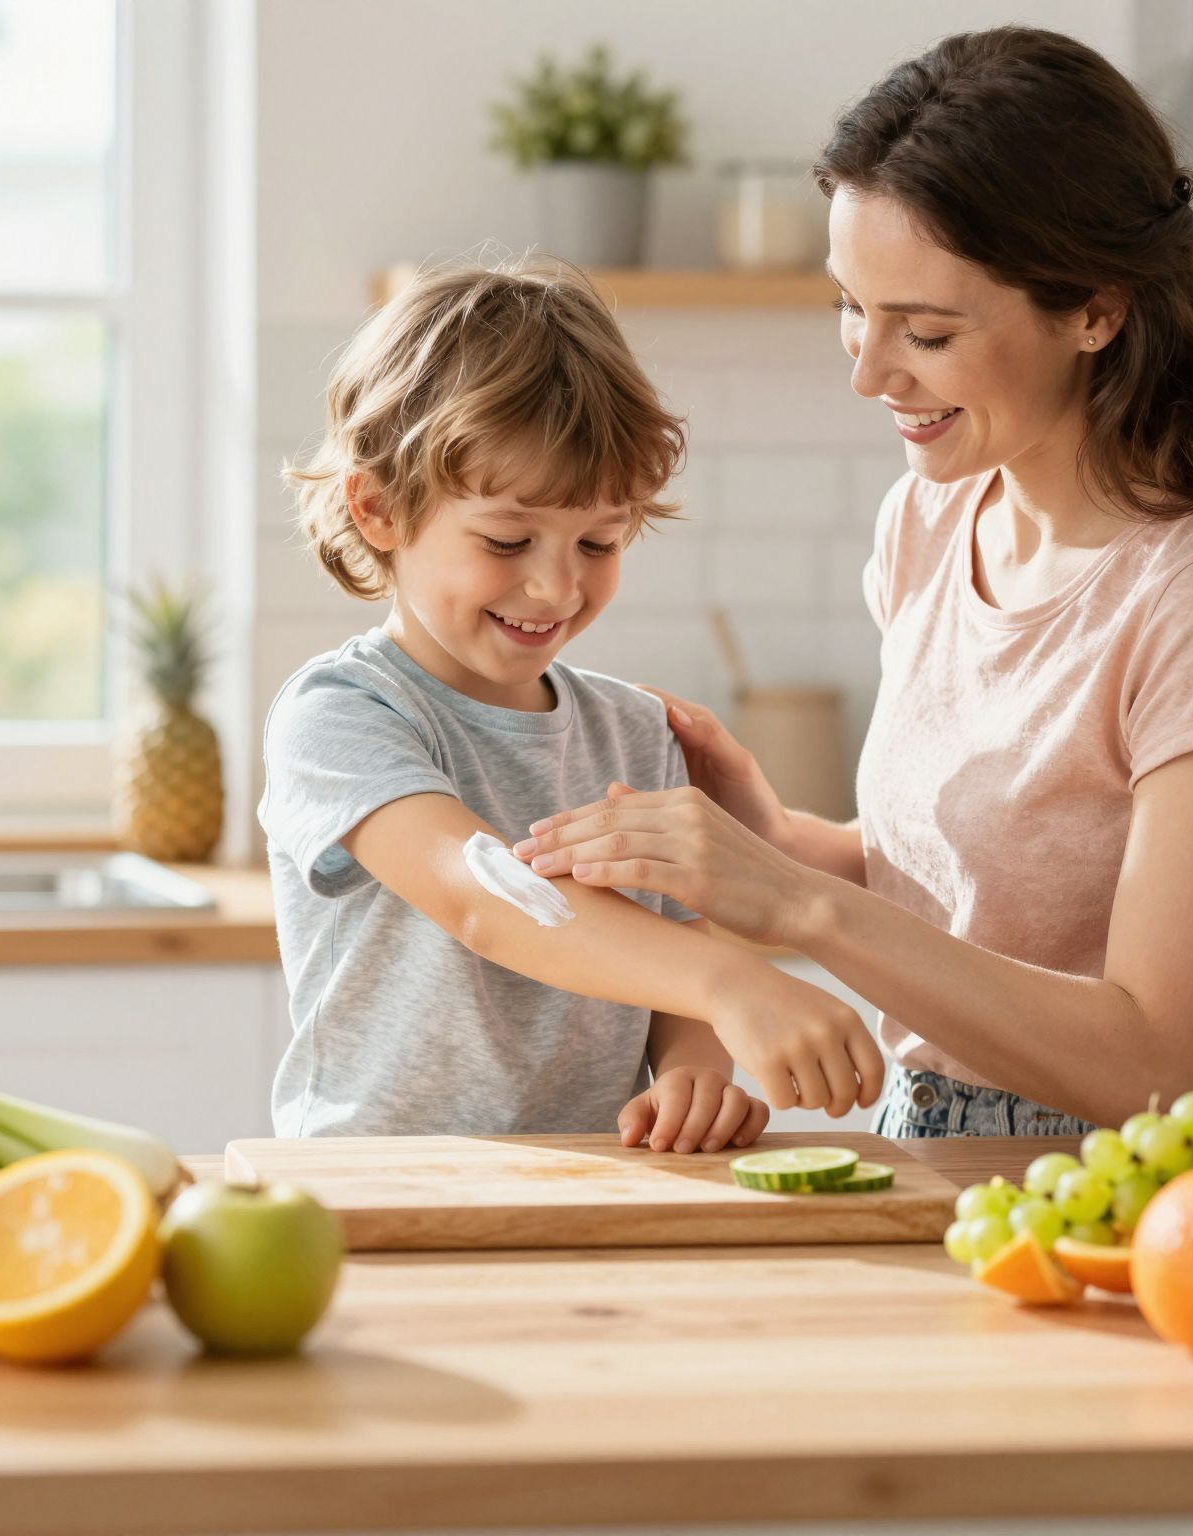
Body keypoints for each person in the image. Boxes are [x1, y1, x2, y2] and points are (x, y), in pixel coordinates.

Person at [513, 28, 1193, 1137]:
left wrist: (795, 901)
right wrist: (780, 843)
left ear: (1094, 310)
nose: (867, 372)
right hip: (928, 1147)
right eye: (847, 305)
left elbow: (1155, 1064)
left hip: (1133, 1188)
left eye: (923, 331)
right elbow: (985, 904)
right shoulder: (930, 518)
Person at [260, 260, 885, 1145]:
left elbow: (676, 955)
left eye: (600, 540)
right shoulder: (340, 715)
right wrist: (735, 982)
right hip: (380, 1186)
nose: (555, 585)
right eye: (508, 539)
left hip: (598, 1178)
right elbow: (484, 900)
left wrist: (693, 1076)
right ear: (378, 510)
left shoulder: (634, 732)